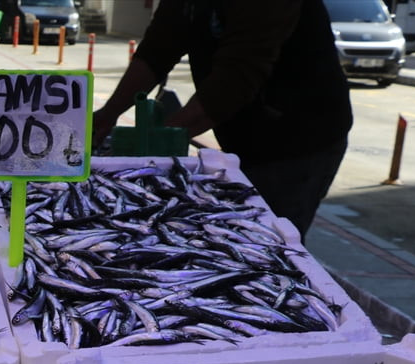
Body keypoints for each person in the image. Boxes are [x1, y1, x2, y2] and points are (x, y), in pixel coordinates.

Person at [91, 0, 353, 238]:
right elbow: (157, 50)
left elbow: (236, 77)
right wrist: (106, 116)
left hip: (298, 141)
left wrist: (159, 138)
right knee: (236, 233)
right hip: (244, 135)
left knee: (268, 241)